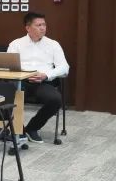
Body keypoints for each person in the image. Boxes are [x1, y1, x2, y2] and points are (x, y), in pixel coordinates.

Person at [7, 11, 69, 142]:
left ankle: (32, 128)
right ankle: (18, 130)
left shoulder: (53, 44)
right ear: (28, 28)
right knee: (7, 96)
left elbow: (64, 67)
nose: (42, 28)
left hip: (43, 82)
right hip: (21, 81)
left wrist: (46, 75)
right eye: (38, 25)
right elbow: (8, 66)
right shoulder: (16, 44)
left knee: (55, 100)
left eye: (44, 25)